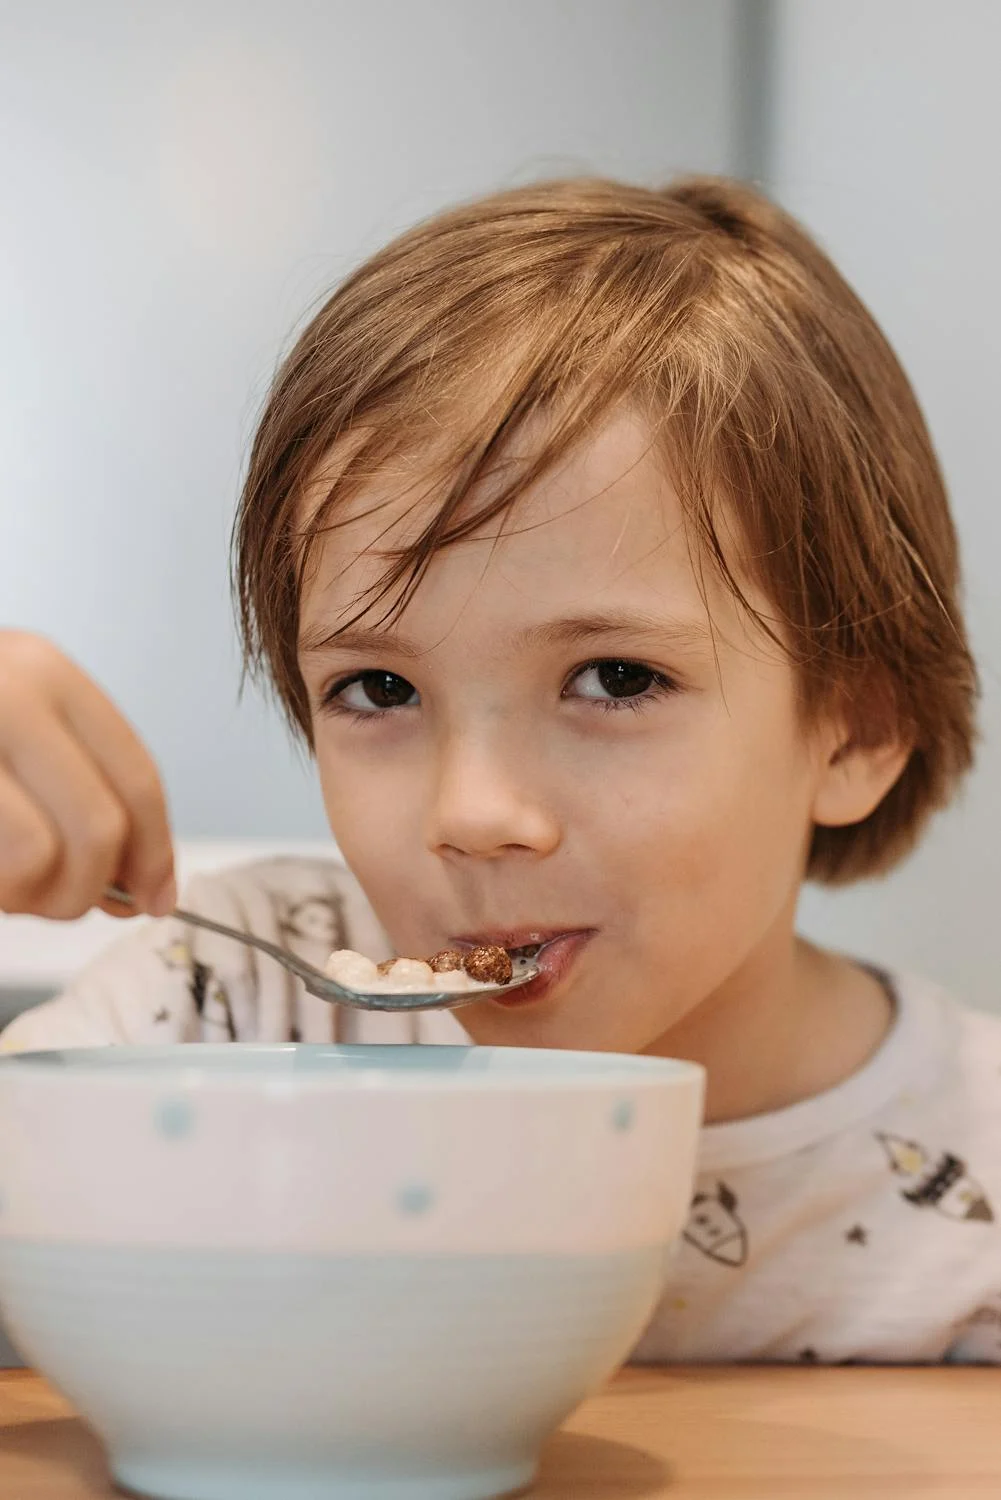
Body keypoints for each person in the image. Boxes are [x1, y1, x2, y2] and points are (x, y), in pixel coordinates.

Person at [1, 175, 998, 1363]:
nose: (472, 814)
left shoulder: (968, 1175)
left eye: (616, 679)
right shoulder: (237, 1002)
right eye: (377, 689)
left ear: (853, 730)